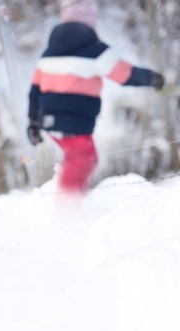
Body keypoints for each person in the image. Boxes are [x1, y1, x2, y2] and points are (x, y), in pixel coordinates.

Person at [27, 0, 165, 194]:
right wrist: (153, 79)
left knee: (74, 158)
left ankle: (76, 197)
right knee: (84, 157)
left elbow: (34, 90)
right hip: (74, 123)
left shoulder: (48, 54)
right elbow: (125, 75)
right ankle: (68, 205)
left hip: (49, 122)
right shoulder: (95, 50)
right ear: (90, 19)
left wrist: (33, 122)